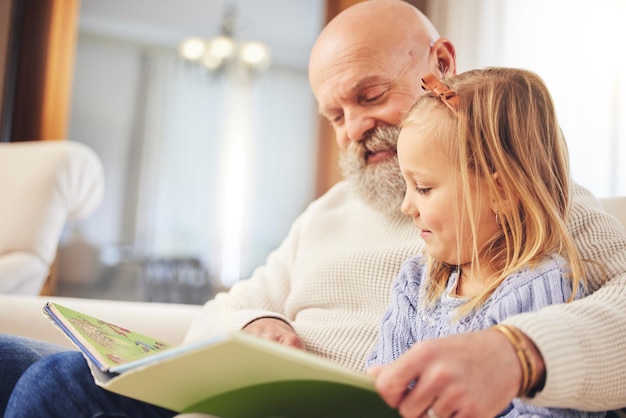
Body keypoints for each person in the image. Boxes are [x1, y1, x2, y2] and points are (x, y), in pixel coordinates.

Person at [2, 1, 626, 417]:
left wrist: (515, 354)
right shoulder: (328, 211)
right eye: (335, 115)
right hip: (248, 402)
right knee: (12, 359)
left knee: (51, 385)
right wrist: (256, 327)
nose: (355, 127)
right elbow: (224, 308)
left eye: (370, 94)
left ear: (442, 66)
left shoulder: (531, 202)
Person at [366, 68, 605, 418]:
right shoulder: (416, 282)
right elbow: (383, 384)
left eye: (424, 188)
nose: (406, 206)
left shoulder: (543, 286)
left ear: (501, 193)